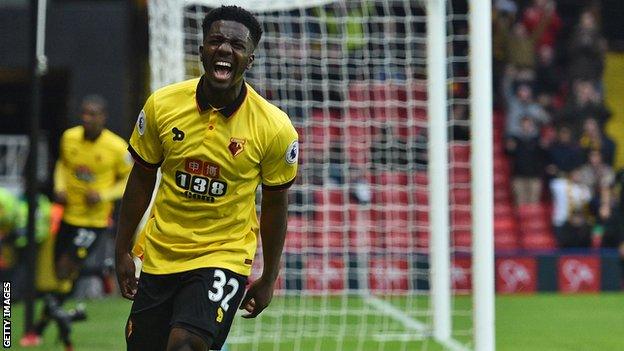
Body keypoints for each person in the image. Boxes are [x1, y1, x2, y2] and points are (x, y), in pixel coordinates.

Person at [115, 6, 298, 351]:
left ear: (250, 59)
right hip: (161, 251)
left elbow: (275, 203)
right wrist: (122, 248)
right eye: (216, 41)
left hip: (223, 255)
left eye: (237, 45)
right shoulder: (162, 106)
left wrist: (269, 277)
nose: (225, 49)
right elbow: (141, 178)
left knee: (186, 345)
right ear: (201, 51)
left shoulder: (274, 127)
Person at [23, 94, 132, 348]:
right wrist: (59, 186)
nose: (87, 119)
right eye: (84, 113)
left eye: (93, 114)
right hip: (69, 217)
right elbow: (62, 165)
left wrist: (104, 194)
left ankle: (38, 327)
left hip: (93, 223)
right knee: (62, 277)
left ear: (103, 117)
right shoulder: (69, 137)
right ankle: (99, 273)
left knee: (64, 269)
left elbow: (129, 181)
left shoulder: (116, 147)